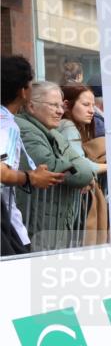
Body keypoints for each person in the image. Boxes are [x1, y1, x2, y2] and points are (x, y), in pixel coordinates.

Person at [14, 81, 97, 251]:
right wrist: (80, 170)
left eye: (61, 105)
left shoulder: (52, 132)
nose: (60, 111)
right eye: (53, 105)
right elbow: (51, 166)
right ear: (31, 106)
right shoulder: (25, 130)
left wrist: (85, 172)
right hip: (35, 230)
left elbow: (85, 168)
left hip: (51, 227)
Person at [1, 55, 64, 256]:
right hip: (6, 226)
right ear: (23, 91)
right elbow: (1, 172)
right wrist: (31, 177)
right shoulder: (7, 126)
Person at [57, 84, 108, 245]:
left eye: (93, 105)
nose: (92, 110)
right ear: (67, 105)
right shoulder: (68, 127)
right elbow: (83, 167)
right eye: (85, 105)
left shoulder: (78, 128)